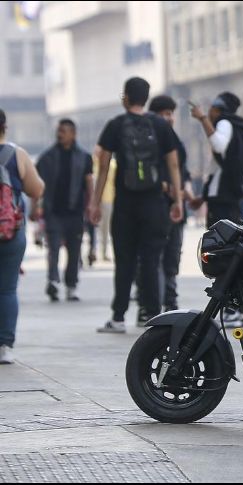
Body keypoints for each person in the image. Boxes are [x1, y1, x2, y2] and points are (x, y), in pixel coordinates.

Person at [89, 77, 183, 334]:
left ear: (126, 97)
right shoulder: (161, 126)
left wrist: (95, 202)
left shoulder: (116, 125)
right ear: (147, 97)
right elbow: (173, 164)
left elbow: (105, 166)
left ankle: (118, 317)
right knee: (152, 261)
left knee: (125, 261)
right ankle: (151, 315)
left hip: (125, 205)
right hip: (154, 204)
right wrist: (178, 200)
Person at [0, 108, 45, 364]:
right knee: (6, 289)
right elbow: (36, 189)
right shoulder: (16, 154)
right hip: (10, 231)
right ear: (5, 127)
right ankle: (4, 346)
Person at [32, 119, 94, 302]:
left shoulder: (84, 156)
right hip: (53, 212)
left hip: (75, 212)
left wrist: (91, 205)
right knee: (53, 249)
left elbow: (89, 183)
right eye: (59, 131)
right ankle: (53, 281)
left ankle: (71, 286)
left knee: (74, 251)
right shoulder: (47, 157)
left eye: (64, 131)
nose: (60, 134)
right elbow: (36, 184)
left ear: (73, 134)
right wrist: (34, 206)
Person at [190, 92, 243, 228]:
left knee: (222, 240)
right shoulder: (235, 128)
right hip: (227, 195)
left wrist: (202, 118)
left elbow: (218, 145)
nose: (209, 112)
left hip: (225, 197)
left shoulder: (224, 123)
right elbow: (217, 169)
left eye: (211, 109)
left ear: (217, 109)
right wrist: (203, 197)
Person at [149, 95, 194, 313]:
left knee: (173, 255)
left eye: (170, 114)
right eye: (164, 114)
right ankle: (154, 301)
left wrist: (188, 193)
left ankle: (171, 299)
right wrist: (171, 189)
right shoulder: (148, 141)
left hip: (177, 206)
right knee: (155, 256)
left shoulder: (176, 141)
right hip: (157, 206)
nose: (168, 119)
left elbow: (183, 171)